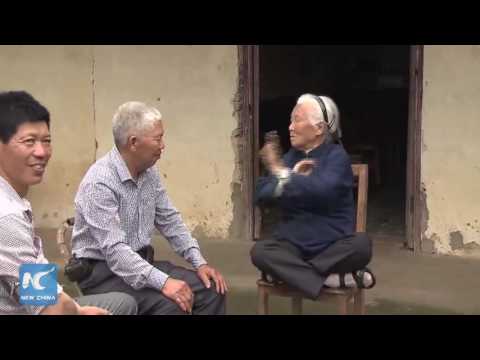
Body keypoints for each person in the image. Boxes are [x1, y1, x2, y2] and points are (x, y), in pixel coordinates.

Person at [70, 101, 227, 315]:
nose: (163, 145)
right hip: (104, 275)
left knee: (212, 290)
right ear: (133, 142)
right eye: (158, 138)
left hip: (142, 264)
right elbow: (116, 253)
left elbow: (170, 220)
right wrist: (165, 283)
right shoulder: (99, 183)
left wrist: (199, 262)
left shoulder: (148, 172)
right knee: (172, 304)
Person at [0, 90, 138, 315]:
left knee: (122, 303)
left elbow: (39, 285)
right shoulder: (6, 218)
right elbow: (49, 308)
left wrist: (77, 309)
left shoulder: (14, 201)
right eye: (29, 142)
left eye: (46, 141)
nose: (41, 152)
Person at [250, 93, 375, 300]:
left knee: (362, 245)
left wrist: (283, 174)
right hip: (292, 246)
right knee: (260, 252)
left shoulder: (337, 157)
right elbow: (260, 195)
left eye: (297, 120)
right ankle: (329, 279)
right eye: (291, 121)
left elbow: (322, 189)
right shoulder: (290, 157)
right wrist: (287, 176)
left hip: (331, 247)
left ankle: (292, 275)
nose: (290, 127)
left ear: (319, 128)